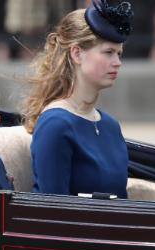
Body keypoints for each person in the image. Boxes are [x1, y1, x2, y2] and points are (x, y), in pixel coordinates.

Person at [23, 0, 133, 198]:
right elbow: (54, 211)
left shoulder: (110, 125)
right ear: (77, 53)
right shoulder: (55, 124)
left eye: (119, 54)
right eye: (108, 52)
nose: (118, 63)